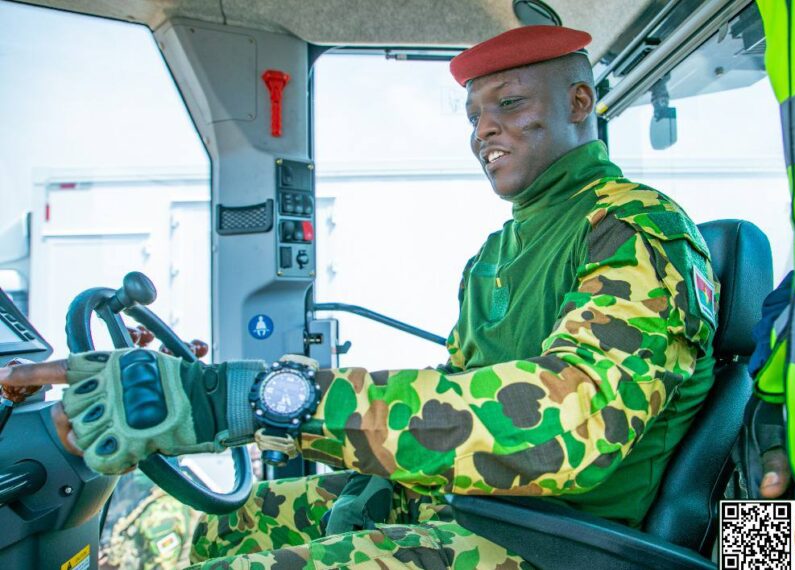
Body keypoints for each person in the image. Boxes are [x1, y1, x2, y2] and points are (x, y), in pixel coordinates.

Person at [3, 26, 726, 569]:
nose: (485, 132)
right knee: (163, 533)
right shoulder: (497, 255)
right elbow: (459, 395)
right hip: (475, 508)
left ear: (579, 102)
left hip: (551, 542)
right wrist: (382, 481)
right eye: (473, 116)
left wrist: (250, 399)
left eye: (509, 103)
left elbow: (563, 429)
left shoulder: (637, 228)